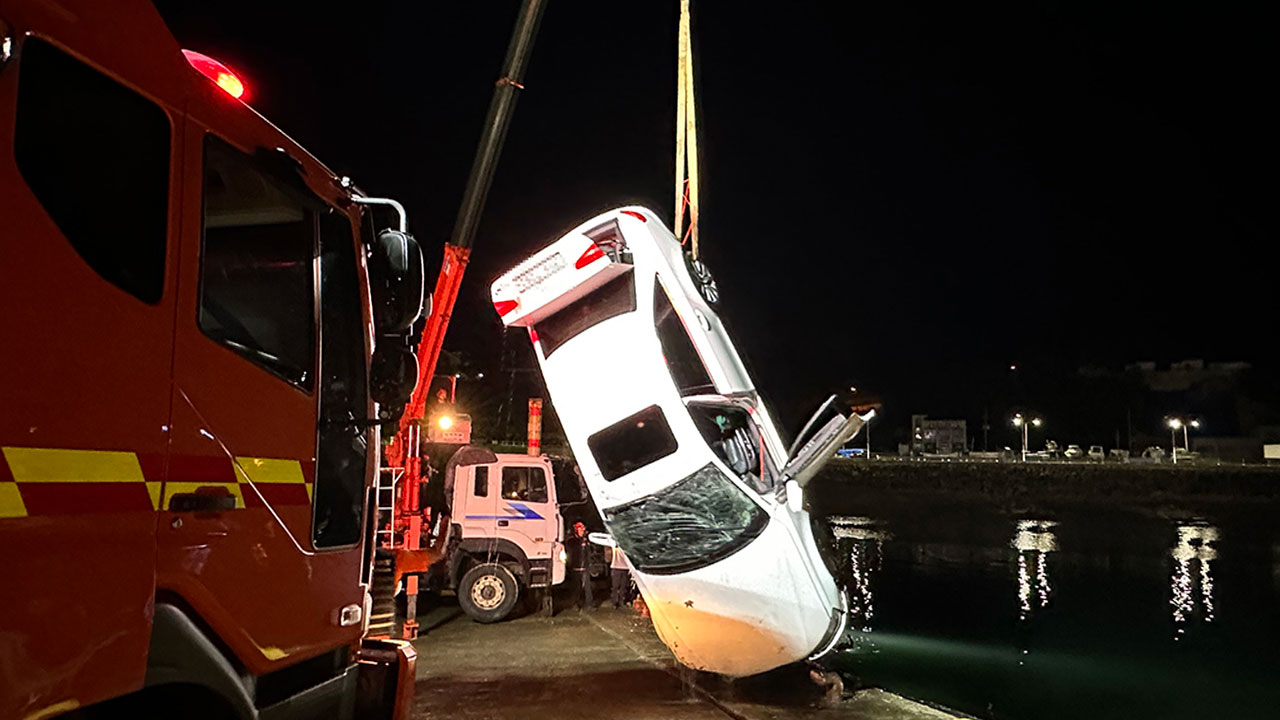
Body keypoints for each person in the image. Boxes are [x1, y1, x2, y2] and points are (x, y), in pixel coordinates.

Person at [572, 521, 595, 611]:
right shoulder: (572, 540)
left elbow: (589, 553)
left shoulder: (586, 541)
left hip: (585, 567)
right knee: (576, 587)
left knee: (588, 587)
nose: (582, 532)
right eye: (580, 530)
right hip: (576, 567)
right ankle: (575, 604)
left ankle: (589, 604)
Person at [609, 545, 631, 609]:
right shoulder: (614, 543)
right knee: (615, 586)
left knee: (623, 586)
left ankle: (621, 601)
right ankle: (614, 602)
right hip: (616, 567)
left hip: (624, 567)